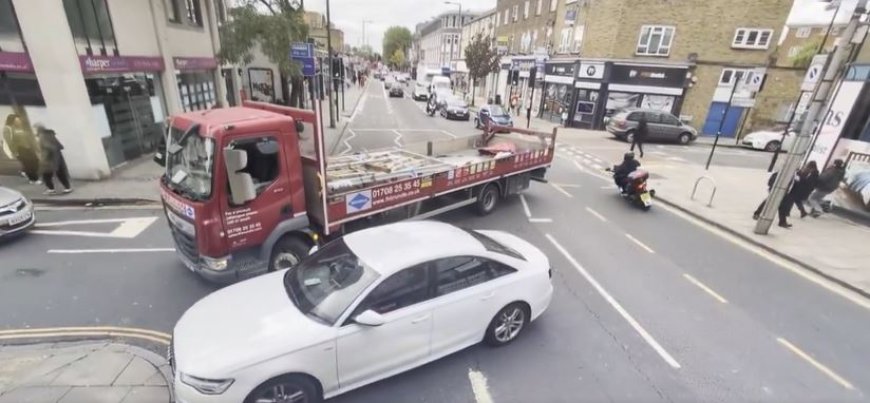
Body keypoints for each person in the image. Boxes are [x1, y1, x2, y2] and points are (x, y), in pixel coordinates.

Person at [2, 113, 41, 183]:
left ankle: (24, 171)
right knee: (28, 164)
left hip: (28, 148)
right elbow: (9, 142)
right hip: (20, 149)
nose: (19, 121)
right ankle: (33, 179)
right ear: (12, 120)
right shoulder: (7, 128)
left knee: (35, 161)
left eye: (19, 120)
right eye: (17, 120)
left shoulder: (19, 127)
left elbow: (27, 137)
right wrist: (15, 152)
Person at [34, 124, 72, 195]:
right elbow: (60, 146)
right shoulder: (50, 134)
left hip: (48, 159)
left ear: (38, 130)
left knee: (46, 175)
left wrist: (44, 157)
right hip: (58, 157)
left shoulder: (42, 136)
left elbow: (49, 147)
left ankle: (51, 189)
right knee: (60, 173)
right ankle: (67, 188)